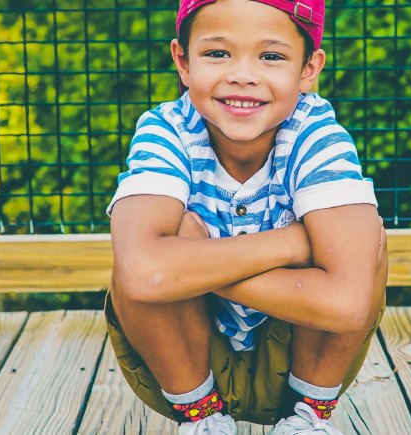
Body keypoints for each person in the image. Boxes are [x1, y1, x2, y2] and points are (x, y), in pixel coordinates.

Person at [105, 0, 387, 433]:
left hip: (297, 354)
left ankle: (307, 420)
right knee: (152, 242)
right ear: (183, 61)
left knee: (365, 238)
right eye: (218, 53)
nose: (243, 75)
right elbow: (144, 274)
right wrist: (290, 242)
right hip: (188, 362)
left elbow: (346, 304)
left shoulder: (317, 136)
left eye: (271, 56)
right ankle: (202, 420)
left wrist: (186, 265)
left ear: (308, 70)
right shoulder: (166, 130)